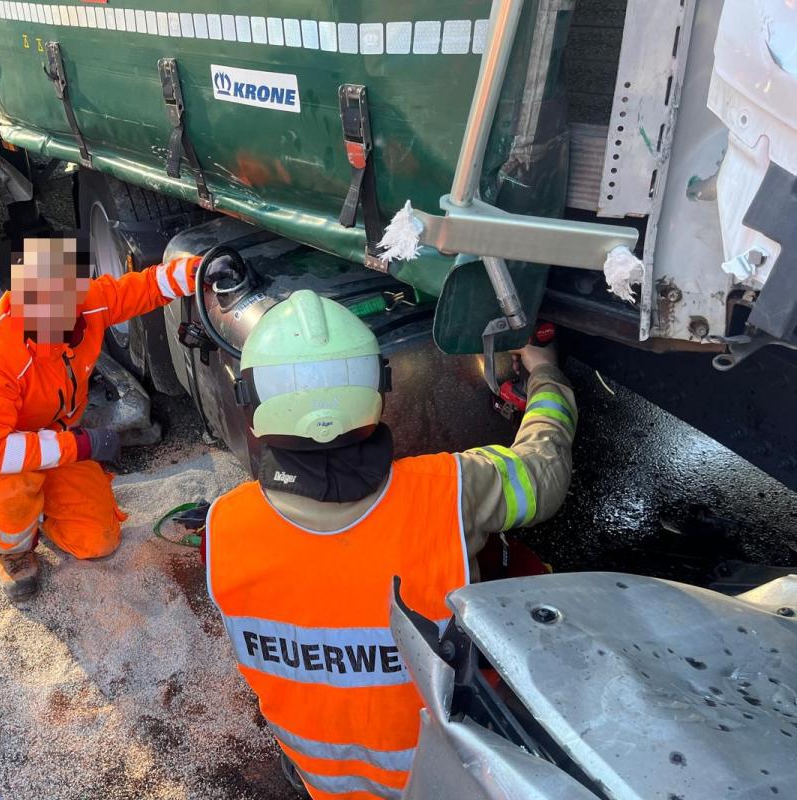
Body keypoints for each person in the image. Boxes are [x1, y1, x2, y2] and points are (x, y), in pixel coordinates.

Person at [204, 290, 576, 799]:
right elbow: (544, 472)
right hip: (438, 785)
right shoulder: (451, 490)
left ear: (252, 406)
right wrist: (545, 373)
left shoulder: (225, 526)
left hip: (324, 784)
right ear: (377, 393)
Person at [0, 237, 200, 600]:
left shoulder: (86, 303)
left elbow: (144, 288)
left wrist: (196, 272)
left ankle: (43, 506)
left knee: (99, 542)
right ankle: (13, 550)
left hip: (52, 431)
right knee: (11, 480)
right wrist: (82, 445)